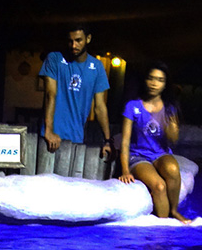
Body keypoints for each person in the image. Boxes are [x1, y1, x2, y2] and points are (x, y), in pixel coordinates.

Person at [118, 62, 190, 223]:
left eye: (159, 80)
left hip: (161, 154)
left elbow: (173, 140)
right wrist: (124, 170)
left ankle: (173, 211)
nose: (154, 83)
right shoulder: (133, 106)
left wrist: (170, 120)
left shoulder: (169, 108)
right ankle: (162, 229)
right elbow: (125, 142)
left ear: (165, 84)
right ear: (145, 80)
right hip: (138, 157)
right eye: (151, 78)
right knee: (159, 186)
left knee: (172, 169)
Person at [40, 23, 113, 157]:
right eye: (70, 41)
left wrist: (107, 141)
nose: (74, 45)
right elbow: (50, 95)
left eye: (78, 40)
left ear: (88, 39)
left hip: (76, 138)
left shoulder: (97, 67)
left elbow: (100, 107)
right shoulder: (54, 58)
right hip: (50, 138)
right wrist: (49, 131)